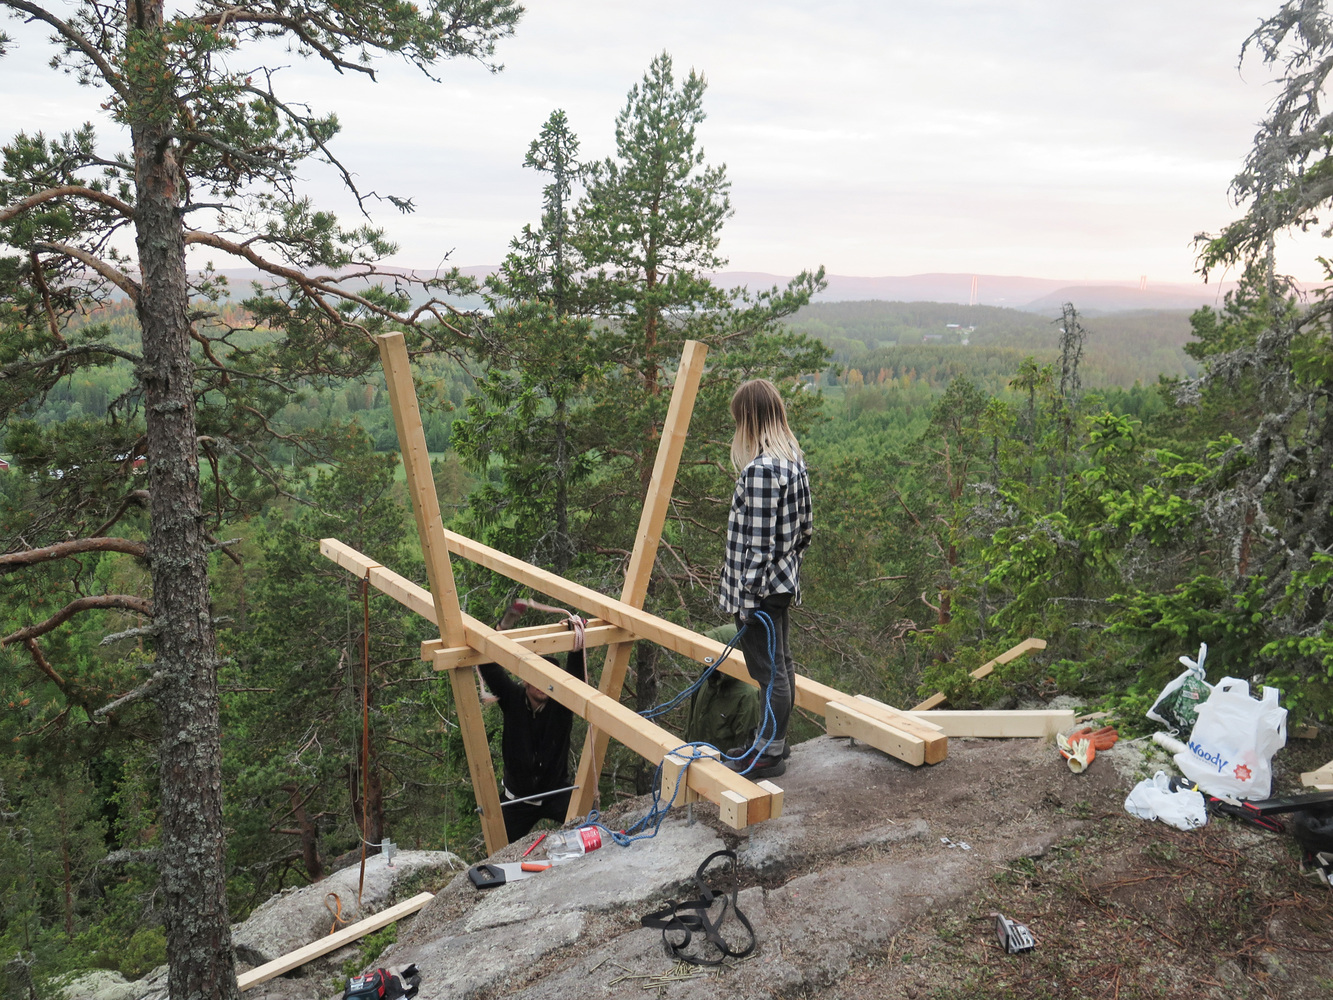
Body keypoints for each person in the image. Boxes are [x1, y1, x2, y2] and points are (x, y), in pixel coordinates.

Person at [716, 378, 813, 779]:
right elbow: (805, 531)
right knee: (780, 666)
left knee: (767, 672)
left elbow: (756, 545)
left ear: (750, 420)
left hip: (757, 593)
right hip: (780, 588)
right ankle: (771, 741)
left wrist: (750, 596)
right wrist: (783, 576)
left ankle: (768, 754)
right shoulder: (793, 463)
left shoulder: (759, 471)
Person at [477, 605, 587, 843]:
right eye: (537, 677)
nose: (542, 684)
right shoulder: (512, 698)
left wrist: (575, 637)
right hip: (517, 798)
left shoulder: (562, 704)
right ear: (525, 679)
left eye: (548, 679)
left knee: (588, 831)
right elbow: (487, 663)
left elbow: (576, 677)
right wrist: (503, 626)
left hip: (556, 793)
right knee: (498, 847)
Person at [686, 624, 761, 752]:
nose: (707, 655)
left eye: (713, 649)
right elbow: (690, 727)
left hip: (721, 768)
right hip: (693, 760)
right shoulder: (707, 679)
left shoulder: (748, 695)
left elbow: (743, 751)